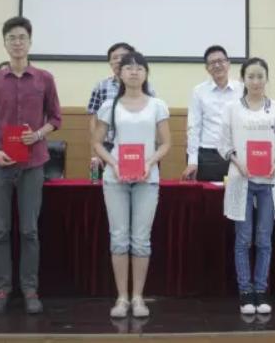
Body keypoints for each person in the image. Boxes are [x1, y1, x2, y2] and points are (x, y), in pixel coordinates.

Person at [0, 16, 62, 315]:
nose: (17, 42)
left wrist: (37, 135)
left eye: (22, 37)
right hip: (0, 163)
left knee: (29, 230)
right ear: (4, 43)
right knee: (0, 231)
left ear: (30, 42)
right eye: (11, 37)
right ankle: (2, 289)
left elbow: (56, 118)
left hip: (33, 163)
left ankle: (29, 289)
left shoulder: (44, 78)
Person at [92, 51, 171, 318]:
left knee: (141, 240)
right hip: (115, 179)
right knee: (119, 238)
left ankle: (138, 297)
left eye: (139, 68)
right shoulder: (109, 105)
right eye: (128, 67)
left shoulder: (157, 105)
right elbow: (96, 143)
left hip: (147, 179)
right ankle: (121, 298)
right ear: (120, 73)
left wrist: (150, 162)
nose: (134, 71)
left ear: (146, 73)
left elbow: (166, 143)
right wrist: (113, 163)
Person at [219, 57, 275, 315]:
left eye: (260, 76)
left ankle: (261, 290)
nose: (256, 81)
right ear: (243, 79)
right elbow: (223, 144)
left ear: (266, 78)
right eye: (251, 76)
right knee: (243, 239)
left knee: (264, 240)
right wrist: (238, 163)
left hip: (269, 182)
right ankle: (245, 292)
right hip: (242, 180)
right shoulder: (231, 108)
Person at [88, 43, 156, 176]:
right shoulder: (101, 86)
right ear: (109, 63)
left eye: (123, 57)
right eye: (114, 58)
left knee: (140, 181)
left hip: (138, 146)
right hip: (107, 146)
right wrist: (94, 153)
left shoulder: (147, 88)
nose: (119, 60)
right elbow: (93, 120)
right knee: (104, 184)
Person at [183, 45, 243, 181]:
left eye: (220, 61)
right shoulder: (199, 91)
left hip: (237, 155)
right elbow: (194, 127)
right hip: (208, 155)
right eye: (212, 63)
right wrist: (192, 161)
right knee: (208, 194)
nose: (217, 65)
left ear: (228, 64)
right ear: (207, 68)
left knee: (237, 194)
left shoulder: (242, 89)